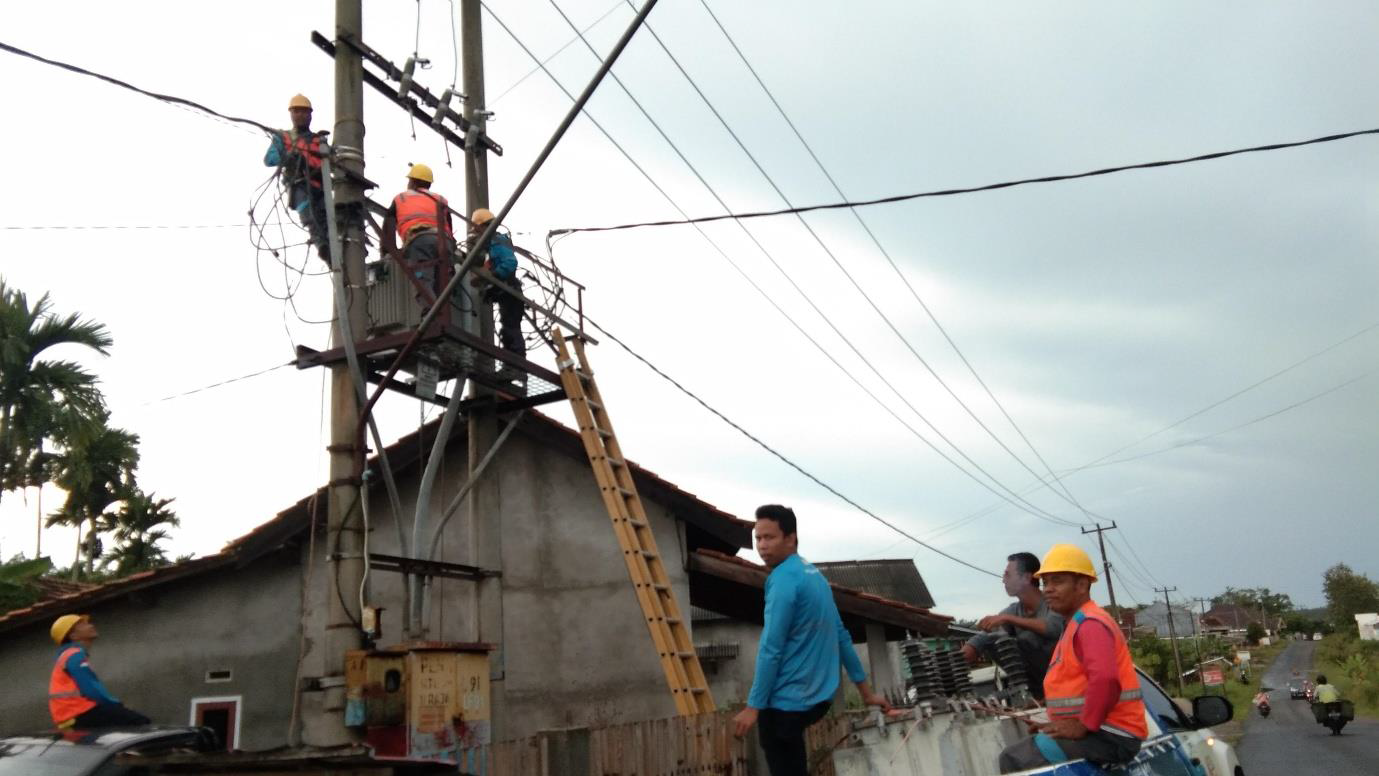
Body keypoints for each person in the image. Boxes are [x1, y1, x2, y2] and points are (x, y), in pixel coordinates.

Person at [732, 505, 892, 776]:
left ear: (790, 538)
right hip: (818, 699)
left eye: (769, 537)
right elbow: (841, 635)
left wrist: (753, 706)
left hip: (785, 703)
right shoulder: (815, 576)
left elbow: (771, 647)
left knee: (778, 748)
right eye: (758, 539)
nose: (762, 546)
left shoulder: (782, 579)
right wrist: (866, 694)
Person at [997, 544, 1147, 773]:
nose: (1048, 589)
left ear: (1082, 584)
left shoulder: (1090, 624)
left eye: (1057, 581)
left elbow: (1106, 679)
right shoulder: (1076, 624)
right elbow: (1080, 687)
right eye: (1046, 582)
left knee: (1013, 759)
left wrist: (1083, 725)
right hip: (1105, 732)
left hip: (1112, 736)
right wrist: (1054, 718)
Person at [962, 551, 1064, 699]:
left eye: (1007, 574)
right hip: (1038, 693)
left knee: (1020, 640)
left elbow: (1052, 628)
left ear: (1026, 578)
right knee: (990, 638)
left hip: (1065, 687)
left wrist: (1009, 619)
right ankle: (1030, 694)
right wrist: (955, 663)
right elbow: (982, 639)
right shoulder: (1013, 611)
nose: (1003, 580)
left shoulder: (1054, 603)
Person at [49, 615, 151, 729]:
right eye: (82, 625)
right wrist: (115, 704)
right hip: (79, 712)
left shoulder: (67, 655)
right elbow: (90, 688)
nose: (91, 625)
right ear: (73, 636)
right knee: (142, 723)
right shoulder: (74, 655)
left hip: (72, 715)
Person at [264, 94, 330, 262]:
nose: (300, 115)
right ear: (291, 114)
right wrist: (289, 157)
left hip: (321, 188)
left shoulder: (319, 140)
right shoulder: (283, 137)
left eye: (304, 112)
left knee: (330, 220)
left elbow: (334, 162)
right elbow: (269, 159)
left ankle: (336, 250)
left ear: (310, 115)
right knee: (309, 216)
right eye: (296, 111)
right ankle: (322, 246)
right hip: (299, 186)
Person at [381, 164, 453, 307]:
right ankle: (442, 312)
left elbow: (388, 227)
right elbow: (449, 226)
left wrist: (386, 253)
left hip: (420, 241)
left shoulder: (401, 198)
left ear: (413, 181)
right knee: (443, 281)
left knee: (423, 280)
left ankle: (430, 314)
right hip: (445, 242)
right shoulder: (440, 199)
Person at [468, 208, 527, 364]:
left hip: (510, 290)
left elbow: (510, 263)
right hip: (507, 291)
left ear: (482, 226)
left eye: (476, 228)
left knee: (510, 329)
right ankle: (513, 366)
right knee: (508, 329)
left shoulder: (497, 240)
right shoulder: (490, 246)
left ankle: (516, 367)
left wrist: (492, 277)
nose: (476, 232)